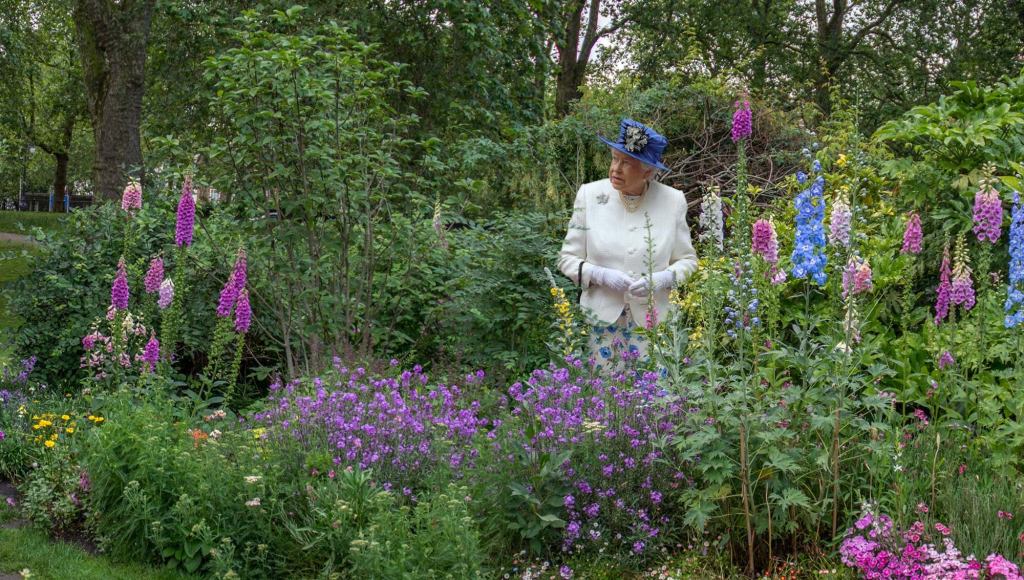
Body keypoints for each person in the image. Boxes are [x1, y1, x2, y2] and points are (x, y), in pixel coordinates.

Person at [557, 119, 698, 370]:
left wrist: (662, 280)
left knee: (653, 402)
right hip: (601, 323)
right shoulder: (589, 196)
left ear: (648, 171)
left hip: (654, 323)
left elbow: (688, 261)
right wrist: (599, 274)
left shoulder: (673, 201)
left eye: (626, 163)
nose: (616, 169)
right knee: (606, 403)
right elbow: (567, 259)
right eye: (614, 158)